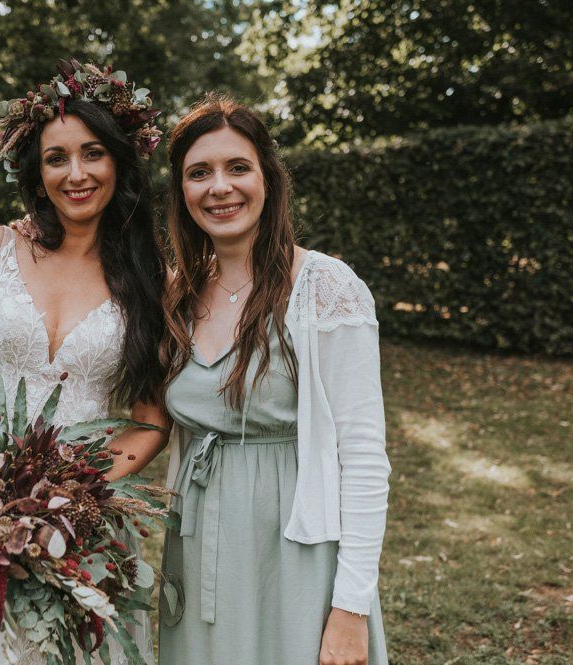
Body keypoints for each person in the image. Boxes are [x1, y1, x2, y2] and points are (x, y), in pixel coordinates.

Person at [0, 60, 168, 665]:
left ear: (120, 164)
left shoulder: (151, 278)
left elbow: (152, 421)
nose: (75, 174)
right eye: (57, 158)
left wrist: (73, 497)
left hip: (79, 518)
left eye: (93, 154)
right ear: (36, 170)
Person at [156, 94, 390, 665]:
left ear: (268, 179)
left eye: (238, 167)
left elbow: (362, 455)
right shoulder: (178, 295)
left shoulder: (324, 287)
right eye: (199, 173)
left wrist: (350, 609)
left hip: (294, 548)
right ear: (182, 192)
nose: (220, 187)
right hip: (196, 540)